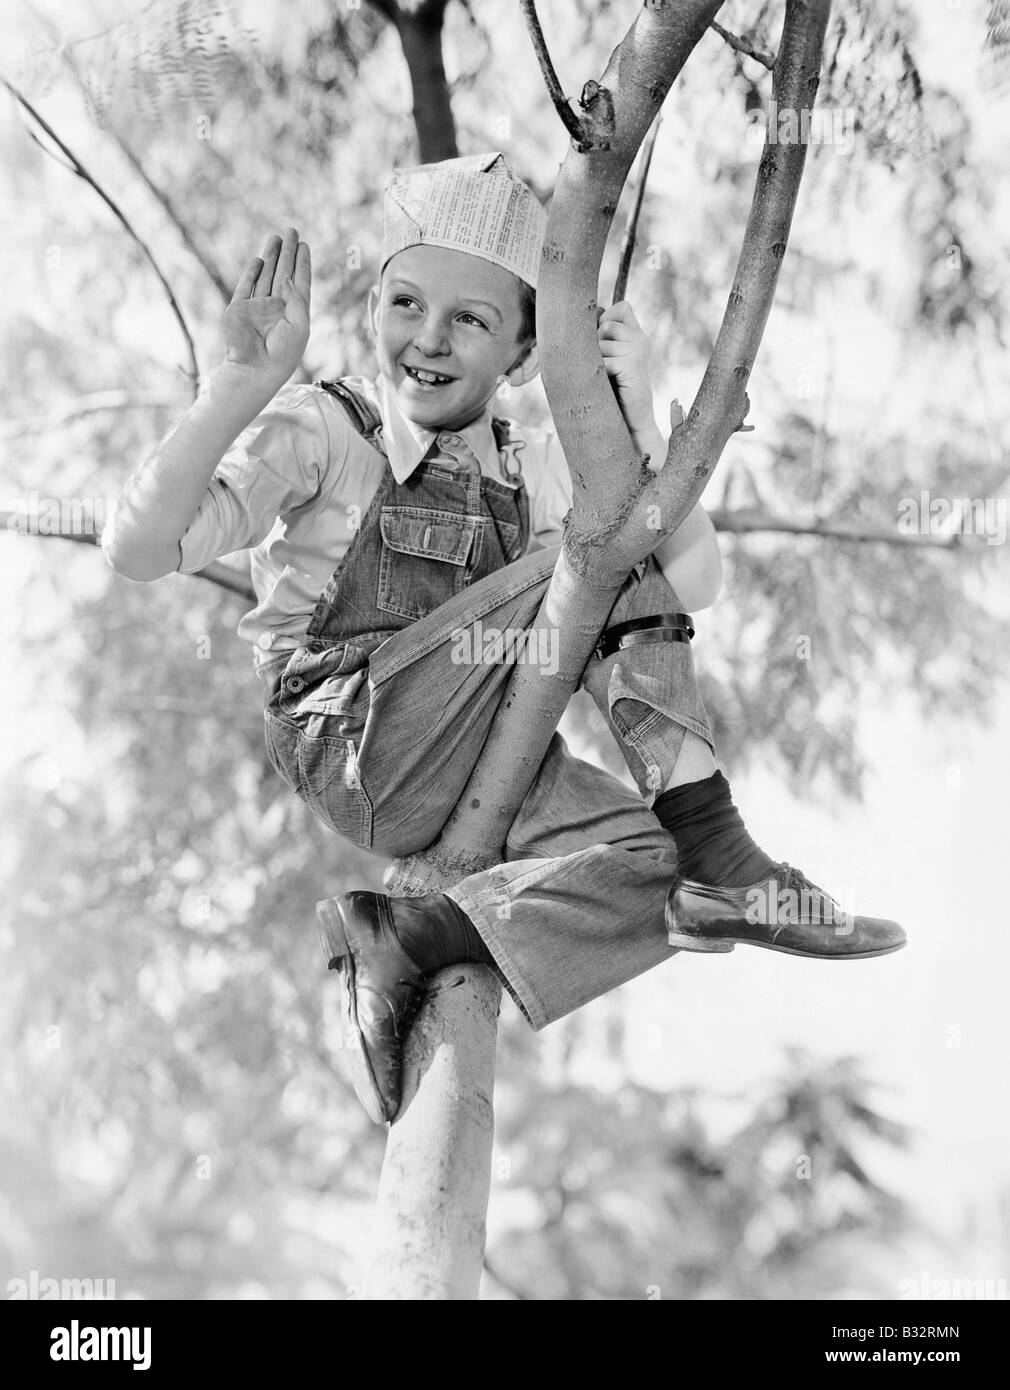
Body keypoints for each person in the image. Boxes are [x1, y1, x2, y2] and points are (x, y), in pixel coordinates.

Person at [102, 152, 905, 1126]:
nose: (425, 340)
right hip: (352, 733)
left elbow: (690, 581)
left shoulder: (531, 472)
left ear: (523, 356)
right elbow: (141, 549)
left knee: (651, 867)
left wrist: (636, 419)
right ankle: (721, 845)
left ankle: (421, 932)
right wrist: (235, 387)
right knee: (598, 547)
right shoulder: (328, 429)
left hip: (474, 763)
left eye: (469, 319)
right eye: (404, 303)